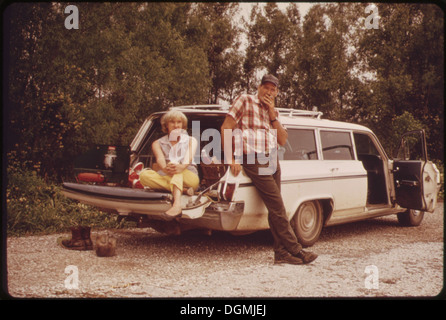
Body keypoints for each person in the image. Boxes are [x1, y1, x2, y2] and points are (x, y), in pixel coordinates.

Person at [220, 74, 318, 265]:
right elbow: (226, 127)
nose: (269, 92)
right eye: (266, 87)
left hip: (272, 158)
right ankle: (296, 249)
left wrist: (272, 113)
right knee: (278, 206)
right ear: (259, 88)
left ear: (277, 92)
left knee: (276, 207)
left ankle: (280, 254)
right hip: (252, 157)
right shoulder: (245, 100)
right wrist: (231, 157)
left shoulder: (274, 112)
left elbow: (282, 140)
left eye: (273, 89)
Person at [138, 110, 200, 220]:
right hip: (168, 174)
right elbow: (161, 160)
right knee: (143, 175)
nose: (176, 125)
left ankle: (176, 205)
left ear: (183, 125)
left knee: (176, 167)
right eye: (172, 122)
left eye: (179, 122)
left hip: (189, 176)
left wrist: (179, 167)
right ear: (166, 125)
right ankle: (183, 190)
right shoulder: (157, 143)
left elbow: (187, 159)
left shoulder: (191, 140)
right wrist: (166, 169)